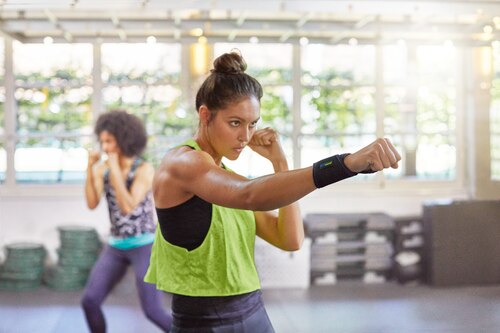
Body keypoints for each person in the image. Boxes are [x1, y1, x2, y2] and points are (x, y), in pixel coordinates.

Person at [145, 51, 401, 332]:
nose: (245, 136)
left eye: (252, 123)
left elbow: (290, 239)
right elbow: (249, 194)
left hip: (254, 312)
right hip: (204, 321)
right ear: (205, 115)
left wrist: (280, 163)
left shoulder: (226, 180)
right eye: (235, 123)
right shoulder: (183, 163)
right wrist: (345, 164)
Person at [82, 110, 172, 333]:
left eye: (109, 142)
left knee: (152, 311)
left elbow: (128, 206)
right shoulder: (103, 169)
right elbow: (92, 203)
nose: (105, 148)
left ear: (124, 140)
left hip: (145, 245)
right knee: (90, 301)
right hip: (116, 246)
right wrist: (89, 168)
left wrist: (113, 168)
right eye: (102, 142)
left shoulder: (144, 169)